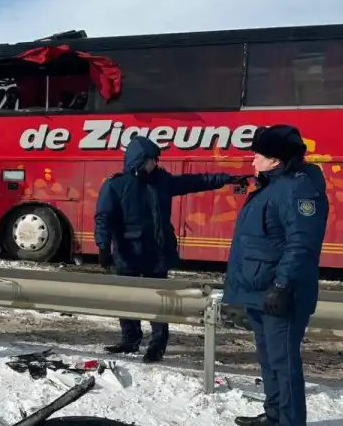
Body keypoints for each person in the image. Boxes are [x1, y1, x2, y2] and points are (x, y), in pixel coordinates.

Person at [94, 135, 249, 362]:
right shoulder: (116, 185)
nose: (155, 164)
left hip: (156, 254)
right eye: (150, 160)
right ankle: (129, 340)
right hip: (127, 254)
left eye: (155, 160)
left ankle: (157, 346)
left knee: (159, 302)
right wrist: (102, 246)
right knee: (127, 300)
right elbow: (103, 218)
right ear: (138, 160)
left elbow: (196, 181)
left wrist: (227, 178)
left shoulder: (162, 181)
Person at [224, 125, 328, 426]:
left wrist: (282, 286)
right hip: (260, 292)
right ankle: (274, 415)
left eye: (258, 156)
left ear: (275, 160)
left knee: (283, 362)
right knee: (269, 360)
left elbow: (302, 244)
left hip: (281, 294)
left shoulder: (297, 190)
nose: (252, 162)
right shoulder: (273, 187)